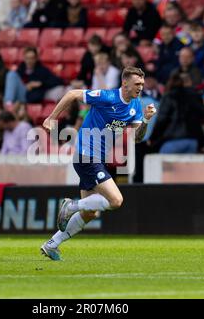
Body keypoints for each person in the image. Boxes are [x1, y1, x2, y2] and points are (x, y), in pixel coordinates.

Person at [40, 67, 157, 260]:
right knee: (116, 201)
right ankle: (71, 206)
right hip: (86, 155)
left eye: (142, 84)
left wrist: (145, 119)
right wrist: (52, 118)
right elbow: (72, 94)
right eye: (137, 84)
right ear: (125, 83)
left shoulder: (135, 105)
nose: (140, 87)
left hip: (95, 159)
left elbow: (137, 138)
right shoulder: (107, 97)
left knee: (90, 213)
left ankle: (51, 244)